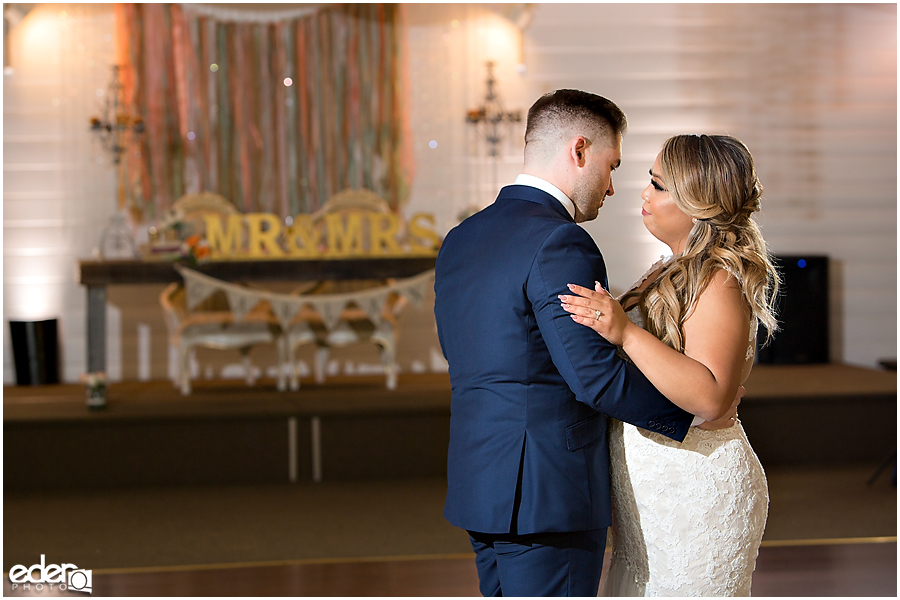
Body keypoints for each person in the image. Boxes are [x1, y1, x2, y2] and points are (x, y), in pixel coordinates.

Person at [433, 90, 737, 597]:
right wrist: (695, 415)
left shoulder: (463, 237)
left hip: (480, 481)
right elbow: (594, 377)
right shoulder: (559, 241)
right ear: (579, 151)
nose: (614, 188)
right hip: (548, 493)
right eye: (612, 165)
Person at [560, 134, 778, 596]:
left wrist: (625, 331)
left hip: (694, 492)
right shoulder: (669, 268)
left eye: (658, 185)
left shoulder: (719, 278)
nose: (643, 194)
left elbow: (709, 395)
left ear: (697, 201)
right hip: (654, 494)